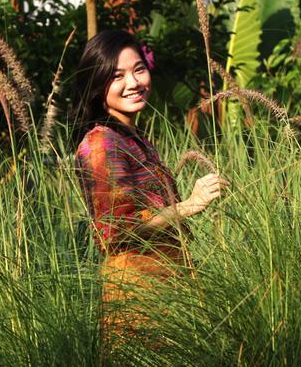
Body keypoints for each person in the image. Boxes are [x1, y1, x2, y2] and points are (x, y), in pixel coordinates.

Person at [73, 30, 225, 305]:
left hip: (168, 287)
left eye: (139, 70)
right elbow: (115, 232)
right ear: (97, 85)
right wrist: (189, 206)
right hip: (140, 295)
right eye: (117, 76)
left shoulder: (132, 138)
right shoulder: (101, 143)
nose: (133, 82)